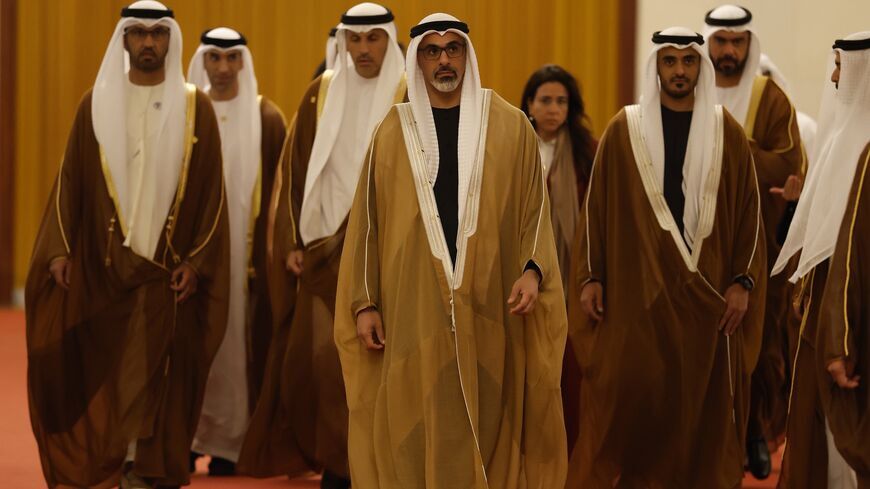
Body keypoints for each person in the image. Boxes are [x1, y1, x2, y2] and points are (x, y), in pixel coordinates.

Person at [334, 12, 569, 488]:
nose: (444, 60)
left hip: (493, 305)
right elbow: (367, 227)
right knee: (414, 420)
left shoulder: (511, 126)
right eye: (432, 51)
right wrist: (364, 303)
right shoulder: (391, 132)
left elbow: (535, 211)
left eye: (453, 49)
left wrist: (532, 270)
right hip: (411, 309)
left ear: (466, 55)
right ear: (417, 61)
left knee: (492, 416)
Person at [25, 2, 229, 487]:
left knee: (156, 371)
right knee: (109, 367)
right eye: (138, 33)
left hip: (164, 271)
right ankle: (111, 460)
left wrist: (197, 262)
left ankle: (143, 465)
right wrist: (59, 250)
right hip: (104, 268)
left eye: (157, 33)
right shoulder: (95, 102)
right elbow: (70, 182)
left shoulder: (194, 107)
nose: (148, 42)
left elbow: (212, 195)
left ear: (170, 39)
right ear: (124, 39)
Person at [567, 27, 766, 488]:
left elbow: (749, 214)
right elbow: (596, 210)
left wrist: (744, 282)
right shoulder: (625, 129)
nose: (679, 71)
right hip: (638, 301)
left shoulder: (726, 131)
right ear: (655, 65)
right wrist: (591, 276)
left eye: (688, 61)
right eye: (670, 61)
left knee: (701, 419)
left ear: (701, 67)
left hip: (710, 306)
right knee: (635, 410)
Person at [238, 4, 405, 488]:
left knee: (382, 364)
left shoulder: (408, 92)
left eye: (374, 38)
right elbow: (294, 169)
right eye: (355, 39)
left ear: (389, 40)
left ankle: (376, 465)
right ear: (343, 41)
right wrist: (292, 239)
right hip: (321, 253)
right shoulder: (322, 91)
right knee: (323, 365)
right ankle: (338, 464)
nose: (363, 49)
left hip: (386, 254)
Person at [702, 6, 805, 477]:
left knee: (758, 343)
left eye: (737, 42)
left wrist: (730, 147)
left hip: (758, 243)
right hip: (700, 240)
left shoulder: (770, 99)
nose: (728, 50)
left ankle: (755, 432)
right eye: (721, 41)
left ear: (749, 44)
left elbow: (785, 163)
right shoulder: (690, 88)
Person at [185, 27, 287, 476]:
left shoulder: (266, 118)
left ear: (244, 62)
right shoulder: (188, 111)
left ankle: (231, 443)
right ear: (202, 62)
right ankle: (186, 438)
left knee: (238, 348)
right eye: (214, 58)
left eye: (232, 58)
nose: (223, 68)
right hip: (194, 257)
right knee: (192, 346)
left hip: (247, 264)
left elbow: (283, 195)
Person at [772, 31, 870, 489]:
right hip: (827, 314)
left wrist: (841, 337)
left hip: (853, 318)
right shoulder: (840, 139)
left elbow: (852, 250)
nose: (833, 77)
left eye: (841, 67)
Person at [520, 64, 596, 457]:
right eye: (545, 100)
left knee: (569, 370)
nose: (553, 109)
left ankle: (567, 458)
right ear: (529, 104)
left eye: (561, 101)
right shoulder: (513, 146)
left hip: (572, 276)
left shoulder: (587, 153)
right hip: (521, 273)